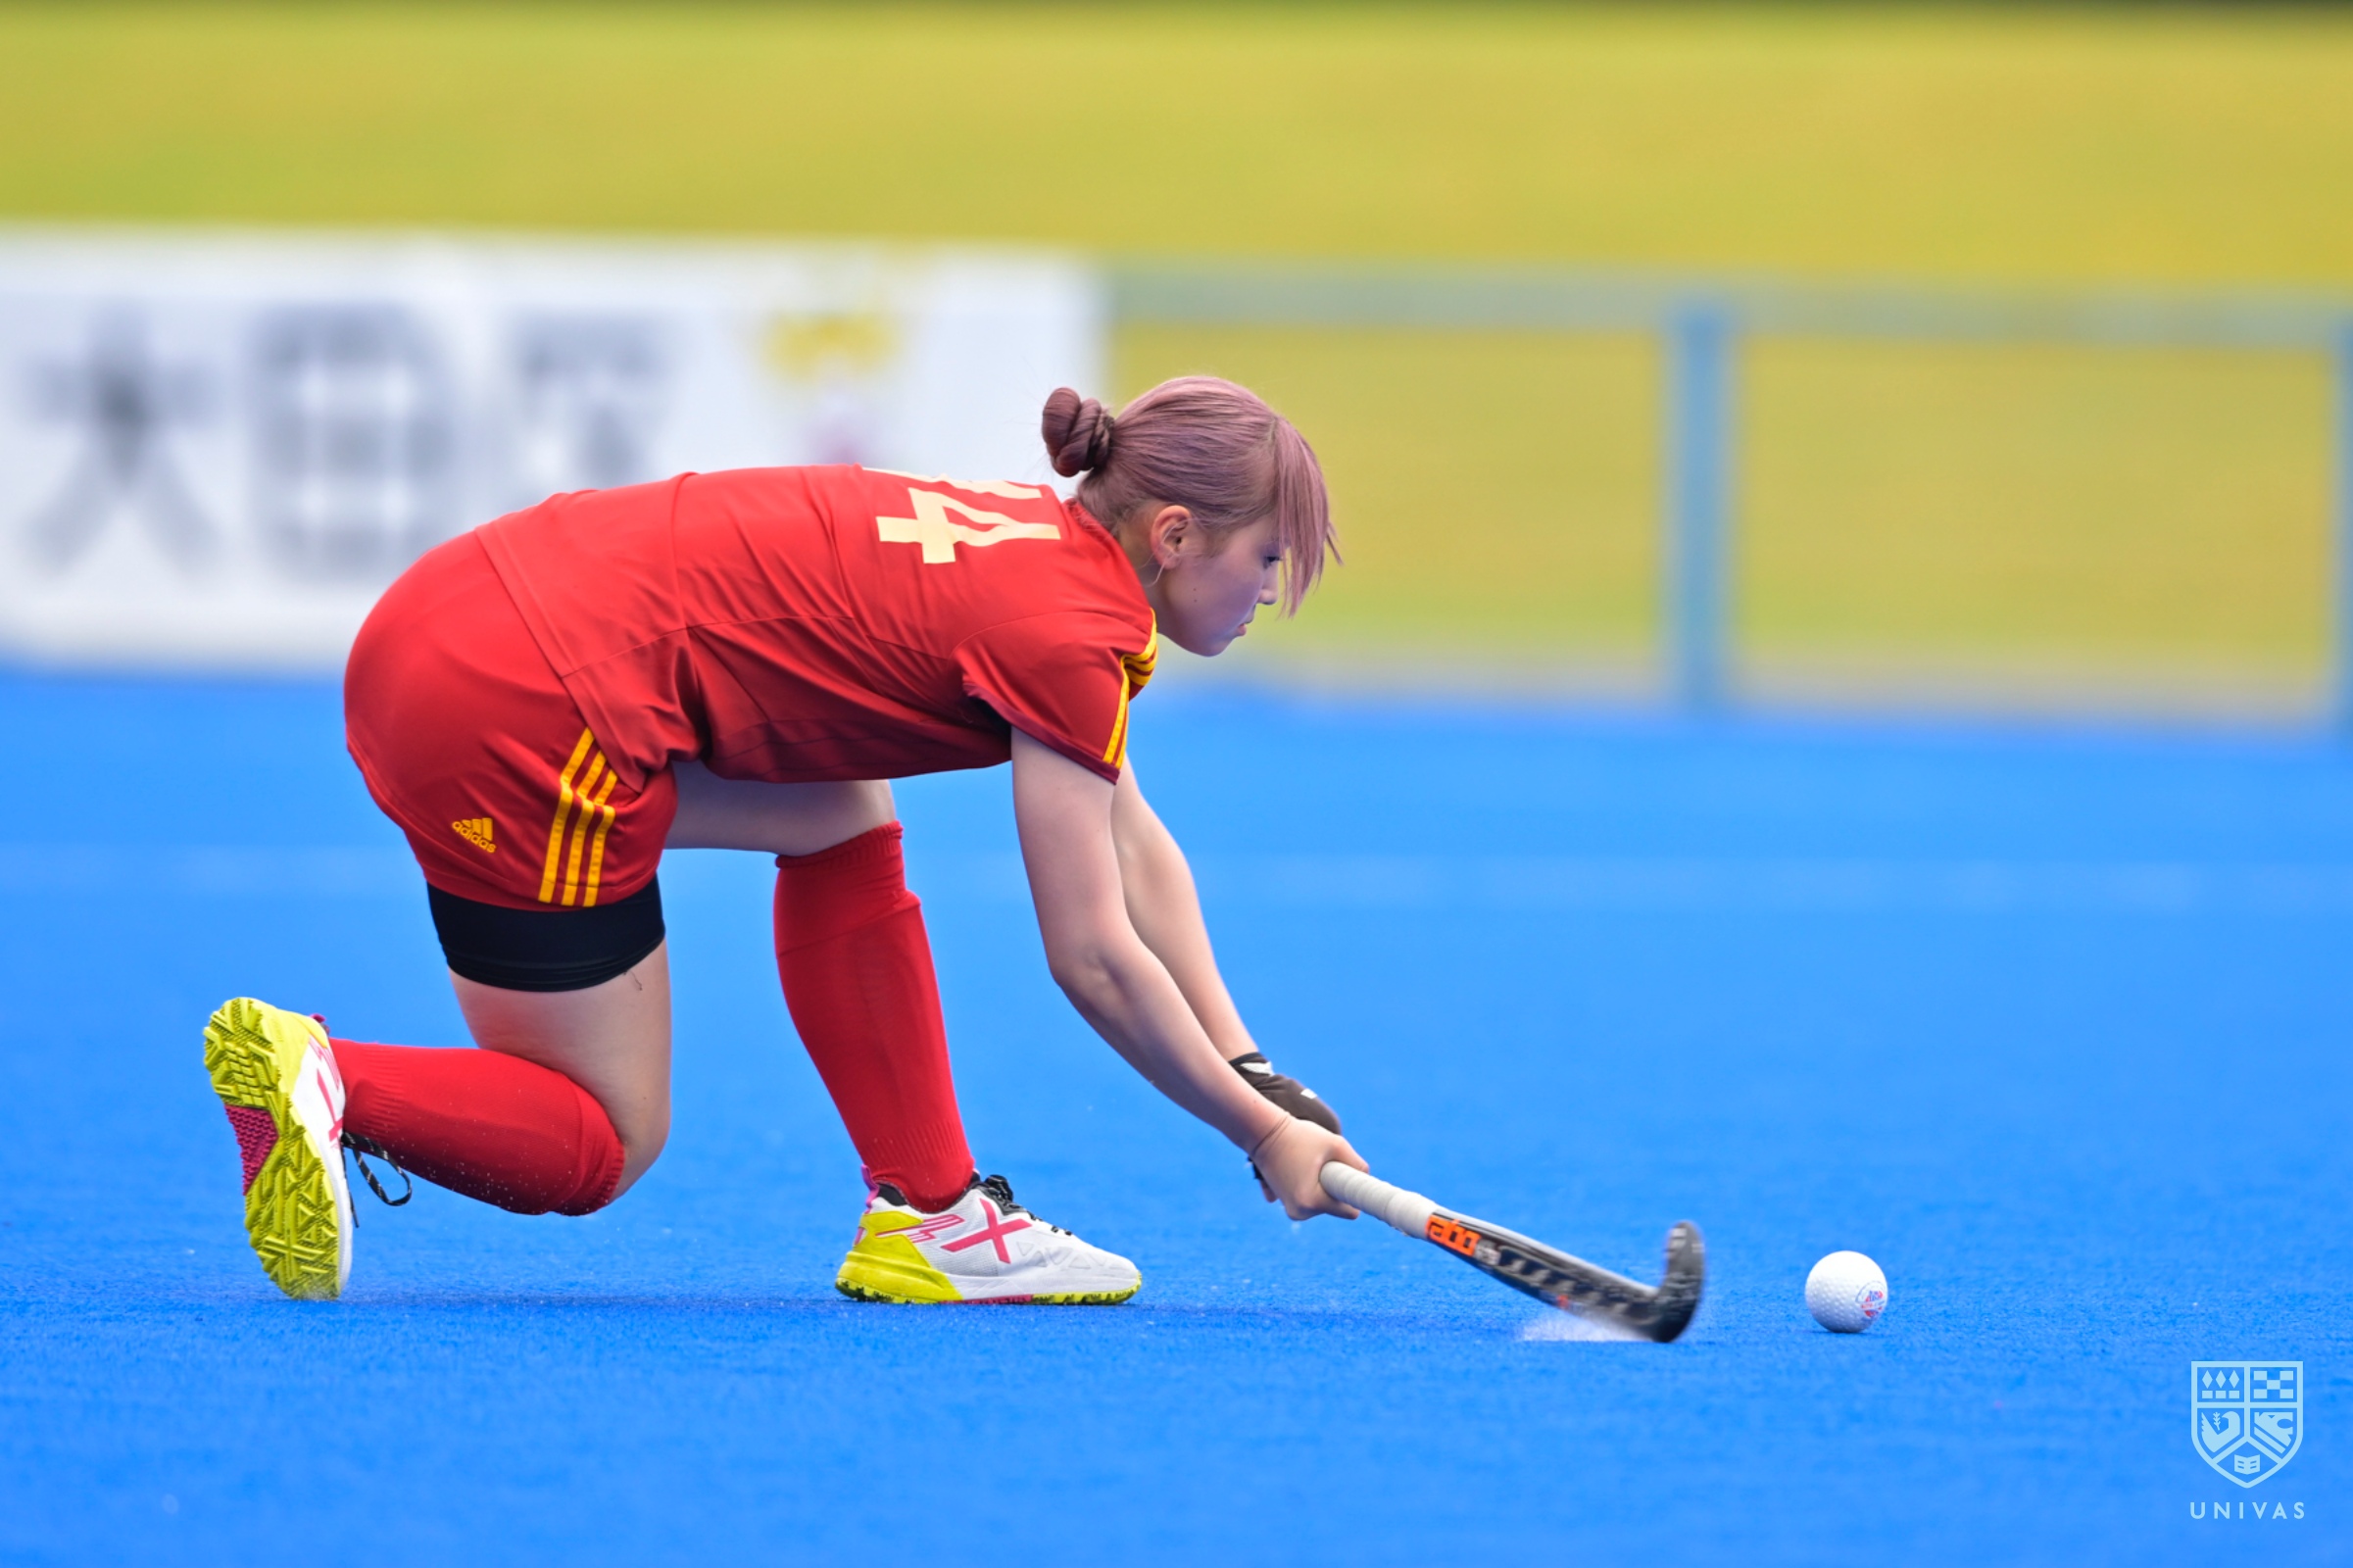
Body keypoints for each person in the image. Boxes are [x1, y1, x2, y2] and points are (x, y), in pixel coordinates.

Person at [202, 376, 1369, 1303]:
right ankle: (328, 1075)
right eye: (1267, 560)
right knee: (601, 1135)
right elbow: (1094, 956)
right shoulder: (1072, 638)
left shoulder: (1037, 548)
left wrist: (1253, 1069)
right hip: (522, 704)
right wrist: (1258, 1135)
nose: (1270, 593)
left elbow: (1130, 841)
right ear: (1174, 534)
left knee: (838, 813)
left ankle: (931, 1216)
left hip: (451, 616)